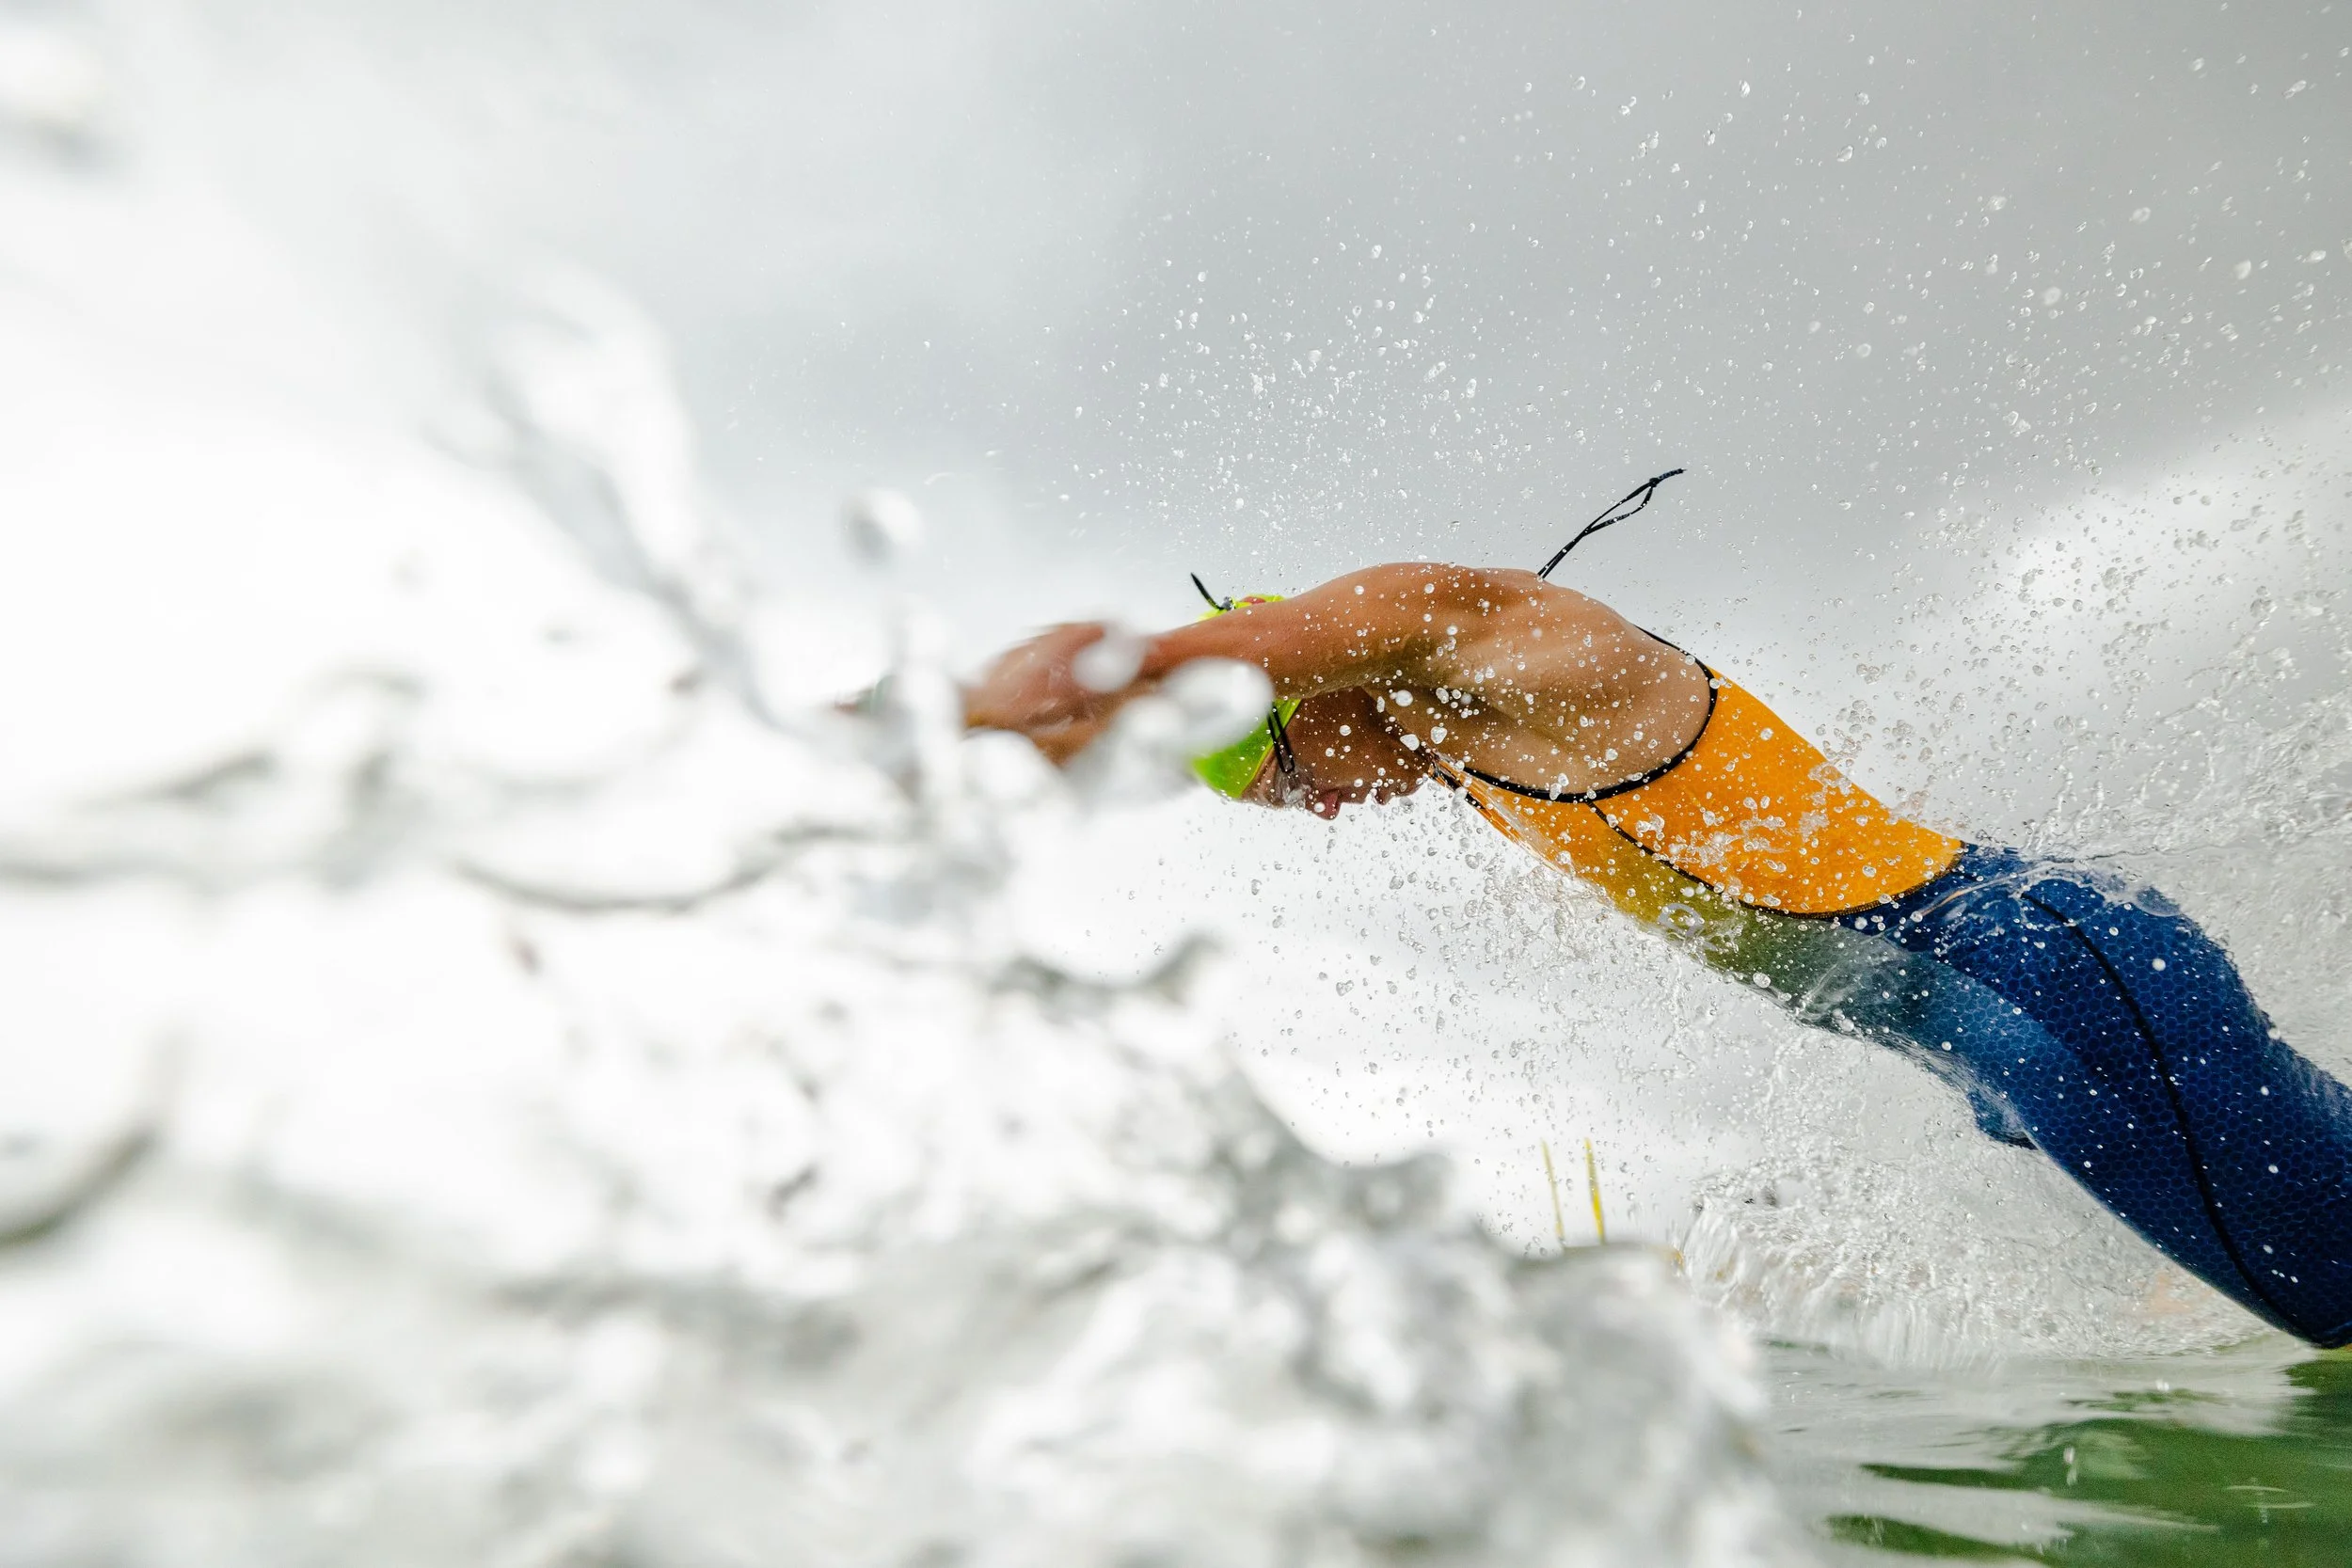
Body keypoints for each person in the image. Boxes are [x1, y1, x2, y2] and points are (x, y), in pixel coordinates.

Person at [963, 559, 2352, 1347]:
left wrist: (987, 706)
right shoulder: (1488, 769)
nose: (1325, 815)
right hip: (2007, 1049)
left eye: (1292, 784)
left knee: (2332, 1296)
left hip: (2056, 987)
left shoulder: (1499, 648)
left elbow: (1240, 643)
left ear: (1299, 698)